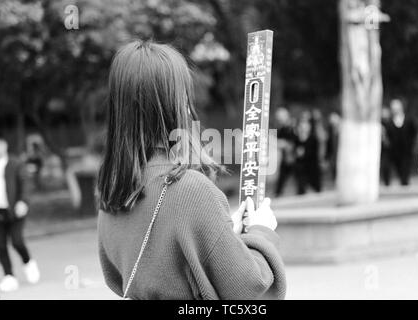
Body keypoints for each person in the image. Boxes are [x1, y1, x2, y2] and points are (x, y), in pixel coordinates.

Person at [97, 40, 286, 300]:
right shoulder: (191, 190)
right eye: (185, 96)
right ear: (173, 105)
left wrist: (224, 237)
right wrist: (261, 232)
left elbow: (152, 267)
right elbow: (250, 291)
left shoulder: (113, 194)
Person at [0, 132, 40, 293]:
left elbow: (26, 183)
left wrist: (23, 201)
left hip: (15, 210)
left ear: (3, 145)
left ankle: (28, 262)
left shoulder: (15, 164)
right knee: (0, 245)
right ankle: (9, 276)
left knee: (17, 241)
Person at [384, 99, 418, 186]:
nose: (395, 110)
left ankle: (405, 186)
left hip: (406, 151)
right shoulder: (389, 122)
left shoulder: (409, 119)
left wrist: (411, 143)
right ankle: (388, 184)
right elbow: (387, 134)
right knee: (393, 167)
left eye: (397, 108)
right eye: (393, 108)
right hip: (394, 151)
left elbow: (414, 132)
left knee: (405, 171)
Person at [294, 112, 322, 195]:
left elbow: (315, 152)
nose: (303, 128)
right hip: (301, 168)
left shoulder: (313, 138)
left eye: (305, 126)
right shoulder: (296, 139)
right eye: (301, 126)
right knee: (301, 189)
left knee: (316, 189)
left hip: (312, 167)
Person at [274, 107, 298, 197]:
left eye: (280, 118)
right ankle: (277, 194)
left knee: (301, 178)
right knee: (281, 179)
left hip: (295, 157)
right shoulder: (281, 129)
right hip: (286, 158)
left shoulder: (293, 126)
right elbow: (278, 141)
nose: (279, 120)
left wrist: (285, 144)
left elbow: (295, 141)